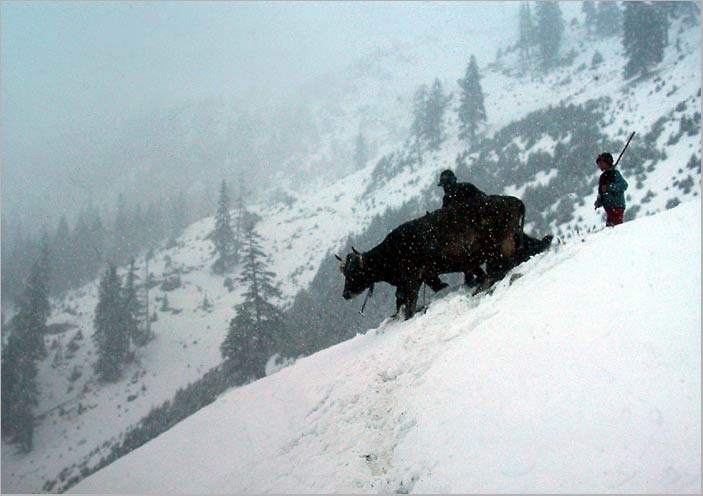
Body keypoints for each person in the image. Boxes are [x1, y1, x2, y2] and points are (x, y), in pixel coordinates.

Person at [594, 152, 629, 226]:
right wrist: (599, 200)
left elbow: (624, 185)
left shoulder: (615, 174)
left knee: (615, 227)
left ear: (607, 162)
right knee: (611, 227)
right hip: (609, 207)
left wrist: (609, 187)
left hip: (617, 205)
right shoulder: (603, 177)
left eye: (601, 163)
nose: (599, 165)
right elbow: (601, 192)